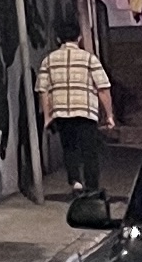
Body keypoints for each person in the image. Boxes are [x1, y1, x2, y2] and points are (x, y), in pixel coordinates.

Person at [35, 28, 115, 192]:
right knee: (89, 150)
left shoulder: (49, 60)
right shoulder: (89, 59)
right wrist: (109, 115)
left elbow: (43, 90)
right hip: (86, 111)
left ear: (58, 39)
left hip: (62, 111)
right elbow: (103, 88)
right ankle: (91, 187)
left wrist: (48, 115)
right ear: (79, 38)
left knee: (69, 147)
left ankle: (75, 181)